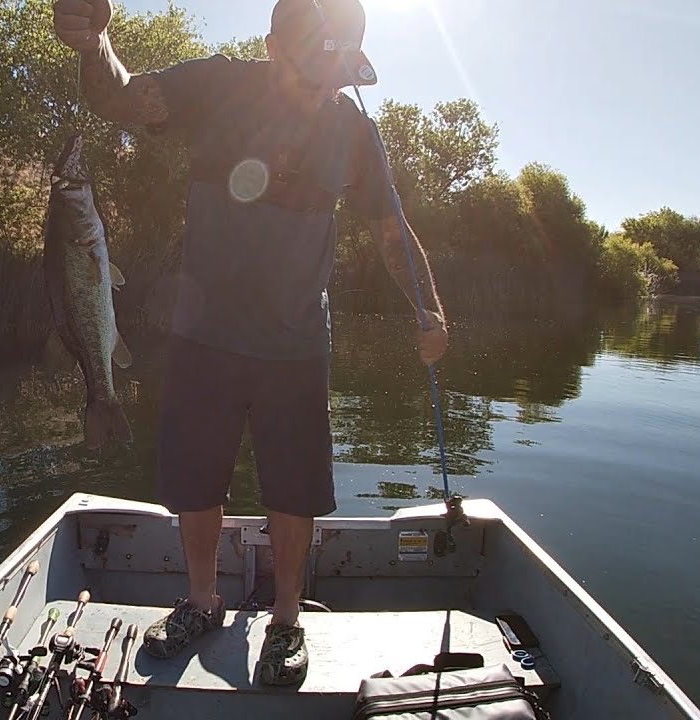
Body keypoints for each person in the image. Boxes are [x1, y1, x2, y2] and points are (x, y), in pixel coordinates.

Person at [52, 0, 448, 687]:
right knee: (195, 477)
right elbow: (119, 97)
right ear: (271, 46)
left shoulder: (353, 128)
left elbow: (390, 228)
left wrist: (429, 304)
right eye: (311, 68)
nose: (322, 87)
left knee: (294, 487)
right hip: (204, 333)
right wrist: (95, 43)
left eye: (336, 73)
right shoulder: (215, 86)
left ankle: (288, 619)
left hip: (297, 340)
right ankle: (202, 600)